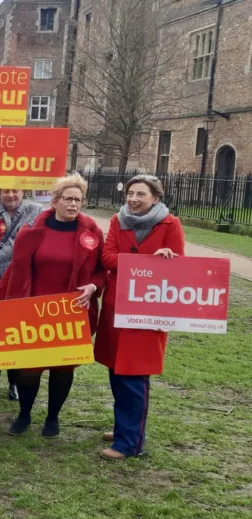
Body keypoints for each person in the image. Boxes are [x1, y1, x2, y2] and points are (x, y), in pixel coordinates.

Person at [0, 174, 106, 438]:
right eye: (68, 199)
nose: (73, 204)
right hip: (34, 311)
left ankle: (53, 418)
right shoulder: (32, 232)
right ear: (54, 201)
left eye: (78, 199)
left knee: (63, 368)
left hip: (71, 311)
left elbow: (101, 271)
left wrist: (93, 287)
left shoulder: (91, 232)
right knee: (29, 370)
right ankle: (24, 414)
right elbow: (15, 270)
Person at [94, 175, 184, 460]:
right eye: (130, 193)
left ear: (155, 198)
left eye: (140, 194)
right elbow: (107, 256)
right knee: (116, 371)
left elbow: (179, 264)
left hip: (147, 309)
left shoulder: (171, 224)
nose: (133, 199)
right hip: (116, 306)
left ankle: (130, 444)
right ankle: (125, 427)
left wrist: (167, 258)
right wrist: (144, 264)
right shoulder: (117, 220)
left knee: (134, 375)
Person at [0, 189, 42, 402]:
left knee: (18, 335)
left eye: (15, 190)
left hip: (21, 280)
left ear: (22, 191)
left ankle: (14, 381)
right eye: (6, 190)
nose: (10, 195)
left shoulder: (35, 211)